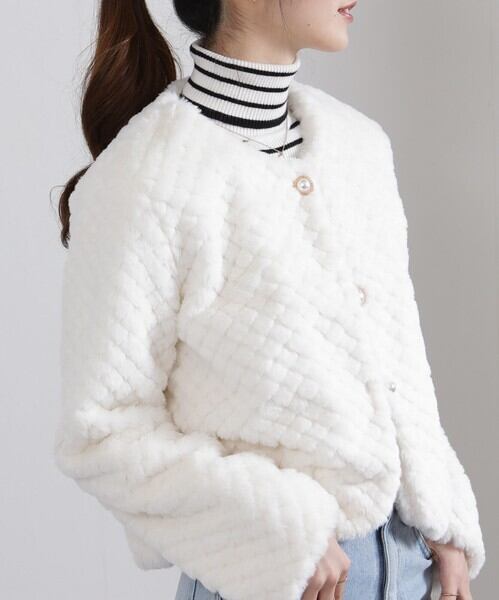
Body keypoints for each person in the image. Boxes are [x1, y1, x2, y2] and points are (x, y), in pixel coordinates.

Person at [53, 1, 485, 600]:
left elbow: (396, 361)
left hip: (414, 567)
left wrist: (441, 511)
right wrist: (278, 531)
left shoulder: (359, 148)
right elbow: (102, 433)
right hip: (280, 580)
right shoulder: (145, 178)